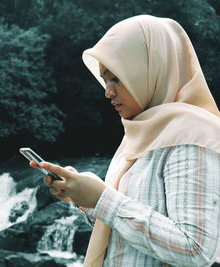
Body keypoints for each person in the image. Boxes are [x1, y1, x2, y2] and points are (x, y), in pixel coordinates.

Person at [30, 15, 220, 266]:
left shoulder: (194, 135)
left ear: (150, 69)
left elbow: (196, 249)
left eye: (115, 78)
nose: (107, 91)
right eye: (105, 79)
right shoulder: (138, 132)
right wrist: (83, 196)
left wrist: (102, 199)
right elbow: (126, 232)